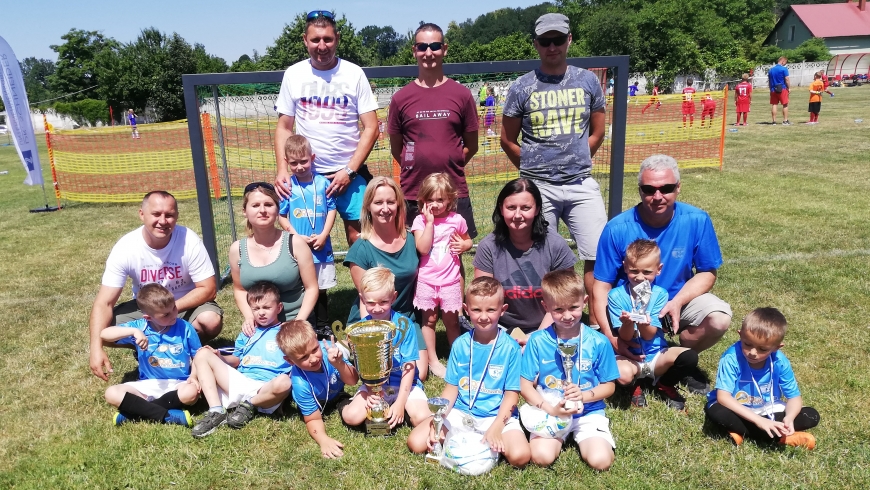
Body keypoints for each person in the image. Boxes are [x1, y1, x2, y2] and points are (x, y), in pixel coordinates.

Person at [592, 155, 731, 393]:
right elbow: (601, 285)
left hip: (677, 299)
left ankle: (683, 358)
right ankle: (644, 359)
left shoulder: (696, 219)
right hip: (630, 307)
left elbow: (707, 272)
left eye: (666, 188)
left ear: (678, 188)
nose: (657, 196)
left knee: (719, 317)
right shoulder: (617, 228)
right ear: (640, 191)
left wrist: (676, 303)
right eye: (649, 189)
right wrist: (609, 336)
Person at [501, 13, 607, 328]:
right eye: (545, 41)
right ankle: (548, 320)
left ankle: (597, 320)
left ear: (569, 40)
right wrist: (531, 166)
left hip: (580, 183)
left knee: (597, 254)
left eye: (558, 40)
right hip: (538, 186)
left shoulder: (587, 80)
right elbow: (508, 138)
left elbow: (598, 131)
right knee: (540, 254)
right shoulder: (522, 86)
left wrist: (578, 156)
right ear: (536, 44)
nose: (552, 47)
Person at [89, 191, 222, 381]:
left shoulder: (189, 241)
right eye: (156, 214)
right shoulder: (126, 247)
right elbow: (104, 303)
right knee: (104, 329)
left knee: (210, 320)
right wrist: (95, 347)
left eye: (169, 215)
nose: (163, 221)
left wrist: (170, 310)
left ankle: (184, 354)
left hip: (186, 306)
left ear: (176, 216)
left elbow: (208, 289)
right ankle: (148, 347)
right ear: (142, 214)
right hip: (147, 310)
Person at [274, 10, 379, 247]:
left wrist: (349, 172)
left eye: (328, 39)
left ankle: (367, 286)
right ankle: (313, 286)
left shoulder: (354, 74)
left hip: (350, 175)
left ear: (337, 39)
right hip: (308, 177)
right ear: (305, 40)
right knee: (307, 240)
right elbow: (284, 127)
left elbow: (372, 127)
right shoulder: (293, 74)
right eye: (315, 40)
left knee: (360, 238)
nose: (322, 46)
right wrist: (283, 169)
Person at [407, 277, 531, 470]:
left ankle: (484, 440)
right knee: (416, 442)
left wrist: (497, 426)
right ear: (466, 309)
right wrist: (438, 421)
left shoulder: (511, 348)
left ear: (502, 310)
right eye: (476, 310)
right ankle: (469, 441)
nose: (483, 316)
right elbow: (451, 389)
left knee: (520, 456)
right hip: (460, 411)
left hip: (495, 415)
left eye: (491, 310)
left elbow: (512, 395)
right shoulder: (460, 344)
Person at [520, 270, 618, 470]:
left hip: (589, 412)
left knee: (601, 461)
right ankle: (557, 435)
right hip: (550, 410)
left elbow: (609, 386)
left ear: (585, 302)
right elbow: (524, 384)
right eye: (558, 309)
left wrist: (583, 395)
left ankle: (587, 435)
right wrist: (550, 409)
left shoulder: (598, 341)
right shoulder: (537, 341)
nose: (567, 316)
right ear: (546, 307)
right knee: (541, 457)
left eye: (574, 307)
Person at [387, 23, 479, 234]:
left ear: (444, 49)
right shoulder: (401, 98)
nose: (428, 53)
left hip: (452, 190)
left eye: (435, 46)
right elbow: (396, 149)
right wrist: (419, 166)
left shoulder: (461, 95)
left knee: (454, 252)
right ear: (414, 51)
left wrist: (451, 162)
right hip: (414, 192)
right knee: (416, 255)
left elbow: (471, 145)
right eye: (422, 47)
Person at [473, 178, 577, 344]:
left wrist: (536, 338)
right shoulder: (488, 247)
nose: (517, 215)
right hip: (500, 327)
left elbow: (565, 300)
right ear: (501, 209)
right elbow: (482, 300)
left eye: (526, 208)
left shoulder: (555, 245)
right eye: (511, 207)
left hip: (552, 324)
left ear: (537, 209)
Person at [343, 177, 428, 378]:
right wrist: (370, 336)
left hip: (405, 318)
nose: (385, 208)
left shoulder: (412, 239)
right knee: (378, 371)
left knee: (420, 373)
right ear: (368, 207)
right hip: (374, 316)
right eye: (378, 202)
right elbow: (366, 300)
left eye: (390, 202)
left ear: (399, 205)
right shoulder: (360, 249)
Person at [190, 282, 294, 438]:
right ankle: (216, 410)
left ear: (279, 308)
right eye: (256, 309)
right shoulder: (248, 331)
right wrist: (218, 355)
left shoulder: (286, 331)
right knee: (203, 353)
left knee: (285, 382)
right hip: (242, 380)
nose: (261, 313)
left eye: (267, 308)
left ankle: (250, 404)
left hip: (265, 387)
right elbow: (236, 359)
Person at [705, 307, 819, 449]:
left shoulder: (780, 362)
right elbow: (723, 397)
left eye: (763, 349)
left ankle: (741, 432)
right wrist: (759, 421)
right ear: (740, 335)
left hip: (767, 408)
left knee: (811, 415)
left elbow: (794, 398)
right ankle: (781, 437)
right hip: (736, 408)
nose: (753, 352)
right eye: (747, 344)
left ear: (777, 347)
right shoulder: (731, 358)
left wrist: (789, 418)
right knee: (716, 412)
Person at [608, 239, 700, 410]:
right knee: (622, 374)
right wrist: (627, 323)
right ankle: (633, 386)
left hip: (656, 355)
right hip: (629, 358)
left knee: (689, 356)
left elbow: (649, 335)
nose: (640, 277)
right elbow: (625, 337)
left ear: (658, 270)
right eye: (634, 270)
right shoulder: (615, 296)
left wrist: (642, 322)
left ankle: (664, 384)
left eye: (647, 272)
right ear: (625, 267)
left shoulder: (660, 294)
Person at [341, 267, 430, 429]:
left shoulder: (404, 326)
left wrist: (401, 402)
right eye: (370, 302)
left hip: (406, 385)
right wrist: (369, 391)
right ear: (362, 299)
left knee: (422, 418)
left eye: (383, 302)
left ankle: (401, 410)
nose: (377, 308)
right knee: (351, 417)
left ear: (393, 297)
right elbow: (363, 368)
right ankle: (344, 402)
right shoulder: (360, 329)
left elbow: (410, 366)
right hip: (375, 385)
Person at [100, 283, 200, 426]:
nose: (174, 315)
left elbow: (197, 355)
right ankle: (167, 416)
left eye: (174, 308)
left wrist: (193, 376)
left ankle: (135, 413)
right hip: (147, 384)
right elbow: (104, 334)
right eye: (166, 314)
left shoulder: (185, 327)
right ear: (148, 317)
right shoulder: (140, 326)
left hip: (178, 384)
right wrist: (133, 332)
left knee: (191, 392)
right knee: (111, 393)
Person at [229, 182, 319, 337]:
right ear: (245, 211)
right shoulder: (237, 249)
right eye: (255, 205)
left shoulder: (295, 243)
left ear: (277, 209)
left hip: (294, 320)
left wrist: (298, 322)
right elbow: (239, 289)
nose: (262, 210)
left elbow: (312, 288)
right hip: (259, 324)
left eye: (269, 204)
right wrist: (250, 318)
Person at [411, 173, 473, 377]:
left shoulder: (457, 220)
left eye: (440, 199)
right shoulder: (420, 221)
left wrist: (465, 245)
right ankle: (433, 360)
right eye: (430, 200)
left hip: (450, 282)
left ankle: (458, 357)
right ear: (423, 200)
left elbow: (468, 240)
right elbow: (423, 248)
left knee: (452, 322)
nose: (435, 204)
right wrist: (429, 223)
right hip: (427, 282)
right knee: (428, 321)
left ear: (450, 199)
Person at [277, 135, 337, 337]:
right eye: (294, 163)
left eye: (304, 161)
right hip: (297, 248)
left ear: (313, 157)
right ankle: (305, 325)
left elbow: (331, 210)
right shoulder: (288, 187)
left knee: (320, 289)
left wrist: (324, 234)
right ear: (287, 162)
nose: (300, 166)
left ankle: (323, 325)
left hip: (321, 247)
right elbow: (282, 216)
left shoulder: (322, 182)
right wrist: (296, 237)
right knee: (302, 288)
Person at [280, 320, 358, 459]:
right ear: (290, 361)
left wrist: (339, 364)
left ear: (317, 339)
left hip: (338, 394)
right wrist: (323, 440)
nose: (313, 358)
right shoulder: (300, 383)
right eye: (303, 357)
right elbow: (312, 419)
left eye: (315, 349)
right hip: (317, 402)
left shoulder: (329, 352)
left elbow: (353, 381)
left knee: (356, 416)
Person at [768, 57, 791, 125]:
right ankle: (785, 120)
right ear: (783, 61)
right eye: (785, 62)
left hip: (773, 89)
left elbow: (769, 81)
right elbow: (786, 79)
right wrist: (789, 87)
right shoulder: (784, 69)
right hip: (782, 88)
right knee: (785, 104)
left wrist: (770, 89)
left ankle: (774, 121)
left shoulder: (771, 70)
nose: (785, 64)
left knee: (774, 104)